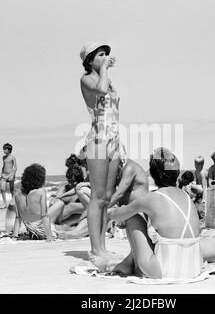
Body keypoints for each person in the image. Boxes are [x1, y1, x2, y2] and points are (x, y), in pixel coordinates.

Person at [109, 148, 202, 279]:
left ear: (152, 175)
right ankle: (128, 263)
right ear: (177, 174)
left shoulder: (152, 198)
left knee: (132, 217)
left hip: (165, 272)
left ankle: (132, 265)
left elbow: (116, 216)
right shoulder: (186, 196)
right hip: (194, 267)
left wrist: (108, 209)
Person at [79, 42, 127, 266]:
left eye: (107, 54)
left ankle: (103, 247)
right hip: (98, 139)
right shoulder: (87, 78)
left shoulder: (107, 79)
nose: (106, 56)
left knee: (107, 197)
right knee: (97, 197)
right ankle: (95, 249)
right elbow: (99, 91)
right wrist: (105, 69)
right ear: (90, 60)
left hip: (113, 139)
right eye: (101, 54)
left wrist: (106, 70)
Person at [12, 164, 61, 241]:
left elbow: (18, 218)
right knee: (61, 226)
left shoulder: (17, 193)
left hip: (31, 230)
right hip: (42, 230)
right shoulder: (41, 192)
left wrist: (15, 236)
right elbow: (45, 216)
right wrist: (49, 237)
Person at [0, 143, 17, 209]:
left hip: (11, 175)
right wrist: (1, 173)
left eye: (5, 149)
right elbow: (3, 166)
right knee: (2, 188)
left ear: (9, 150)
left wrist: (12, 175)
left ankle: (13, 203)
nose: (3, 150)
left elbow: (15, 167)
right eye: (3, 149)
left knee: (11, 189)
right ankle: (4, 204)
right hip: (4, 175)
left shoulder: (12, 157)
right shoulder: (3, 157)